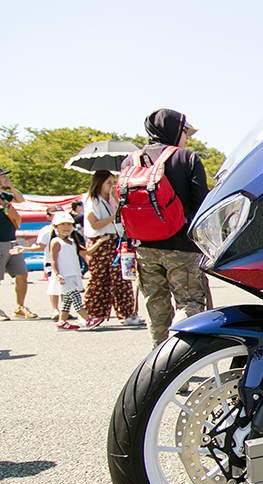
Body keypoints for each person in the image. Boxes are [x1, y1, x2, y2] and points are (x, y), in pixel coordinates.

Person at [120, 109, 210, 347]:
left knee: (155, 306)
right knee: (189, 303)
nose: (187, 137)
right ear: (175, 130)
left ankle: (158, 362)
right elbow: (202, 204)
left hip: (144, 247)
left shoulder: (130, 161)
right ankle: (179, 356)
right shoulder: (186, 158)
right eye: (185, 131)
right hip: (182, 246)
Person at [82, 170, 142, 326]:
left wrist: (117, 200)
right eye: (108, 183)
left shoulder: (112, 200)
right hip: (100, 242)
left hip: (116, 240)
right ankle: (91, 313)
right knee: (99, 279)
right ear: (99, 183)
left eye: (113, 182)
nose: (112, 186)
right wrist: (113, 216)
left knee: (122, 278)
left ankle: (127, 314)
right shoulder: (92, 200)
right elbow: (94, 224)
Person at [45, 212, 103, 331]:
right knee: (76, 298)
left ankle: (61, 322)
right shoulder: (56, 241)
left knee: (67, 301)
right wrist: (57, 274)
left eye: (69, 224)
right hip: (63, 276)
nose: (66, 227)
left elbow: (87, 252)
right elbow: (53, 259)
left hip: (72, 275)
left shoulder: (72, 242)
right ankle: (88, 319)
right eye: (62, 224)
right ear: (55, 227)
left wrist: (100, 241)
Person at [0, 167, 40, 320]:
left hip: (12, 241)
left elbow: (20, 199)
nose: (5, 178)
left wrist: (11, 187)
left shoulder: (4, 196)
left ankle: (19, 307)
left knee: (22, 274)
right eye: (2, 176)